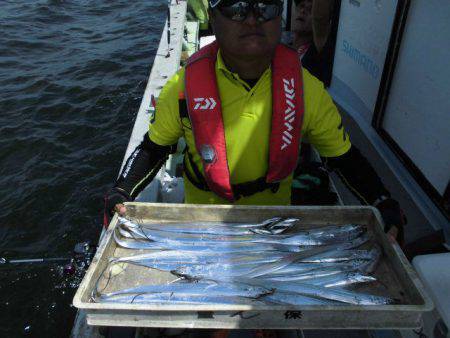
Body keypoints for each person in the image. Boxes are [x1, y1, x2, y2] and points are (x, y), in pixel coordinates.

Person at [105, 0, 405, 243]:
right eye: (236, 7)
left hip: (274, 229)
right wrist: (121, 191)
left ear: (278, 18)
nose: (252, 19)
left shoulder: (306, 88)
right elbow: (153, 148)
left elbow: (343, 157)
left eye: (266, 6)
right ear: (214, 17)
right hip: (202, 228)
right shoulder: (181, 88)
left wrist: (382, 202)